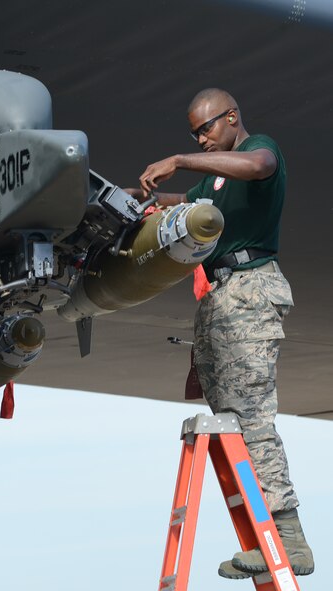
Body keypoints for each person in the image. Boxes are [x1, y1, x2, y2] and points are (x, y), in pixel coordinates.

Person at [126, 88, 314, 579]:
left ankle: (289, 541)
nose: (202, 138)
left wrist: (179, 159)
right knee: (227, 414)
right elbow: (184, 202)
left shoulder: (259, 150)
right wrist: (143, 202)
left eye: (207, 128)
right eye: (194, 133)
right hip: (220, 295)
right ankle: (261, 539)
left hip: (251, 291)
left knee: (251, 414)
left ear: (232, 118)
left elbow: (257, 166)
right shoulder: (214, 175)